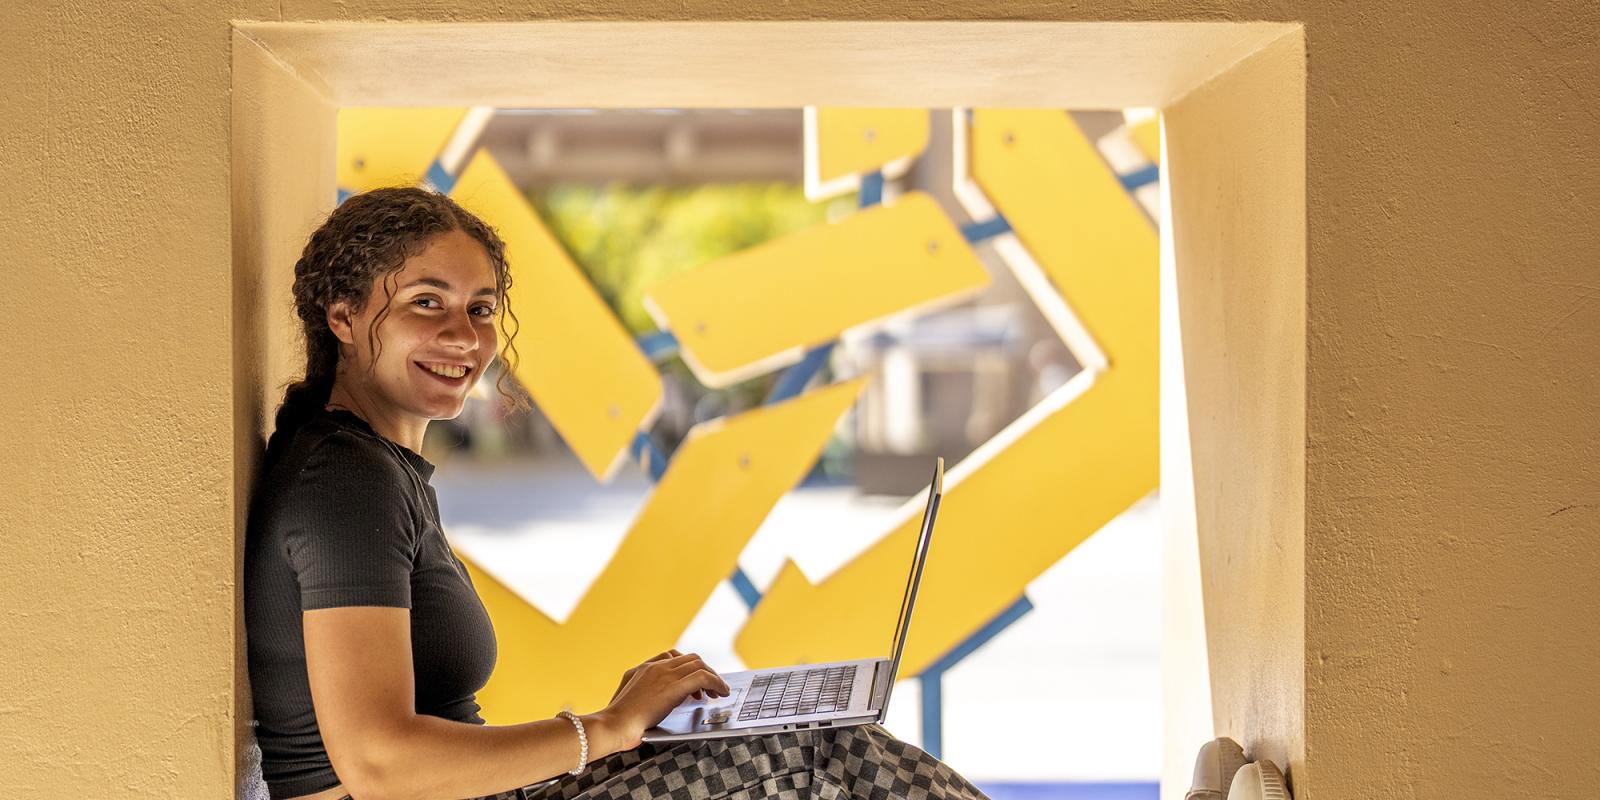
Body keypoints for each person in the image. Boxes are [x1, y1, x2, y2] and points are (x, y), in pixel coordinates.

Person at [244, 187, 990, 800]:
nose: (466, 338)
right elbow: (380, 764)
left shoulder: (375, 466)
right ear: (342, 317)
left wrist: (629, 722)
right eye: (426, 303)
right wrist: (606, 728)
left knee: (819, 737)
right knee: (827, 757)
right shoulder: (345, 481)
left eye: (480, 308)